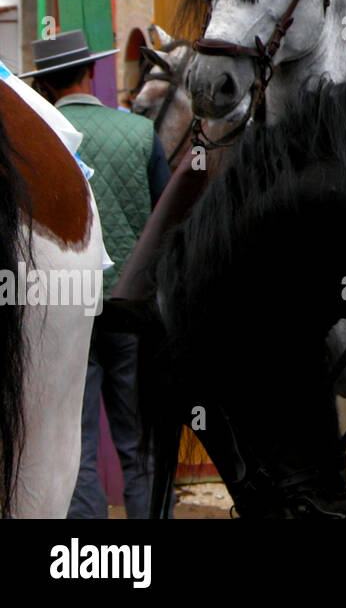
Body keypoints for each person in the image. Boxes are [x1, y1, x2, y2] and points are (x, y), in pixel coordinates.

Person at [22, 30, 169, 519]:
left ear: (43, 86)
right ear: (90, 73)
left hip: (64, 303)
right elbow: (165, 223)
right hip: (132, 307)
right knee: (138, 439)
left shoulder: (35, 138)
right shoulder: (140, 134)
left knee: (76, 443)